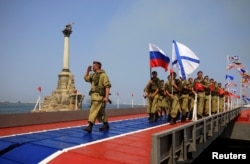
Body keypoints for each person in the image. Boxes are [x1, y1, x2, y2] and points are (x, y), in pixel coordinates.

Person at [83, 61, 111, 133]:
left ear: (97, 66)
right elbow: (86, 78)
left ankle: (90, 126)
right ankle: (106, 124)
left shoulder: (103, 75)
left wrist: (106, 97)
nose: (92, 67)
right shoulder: (93, 75)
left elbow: (107, 86)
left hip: (99, 97)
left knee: (93, 111)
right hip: (93, 96)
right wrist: (88, 71)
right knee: (100, 112)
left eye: (94, 65)